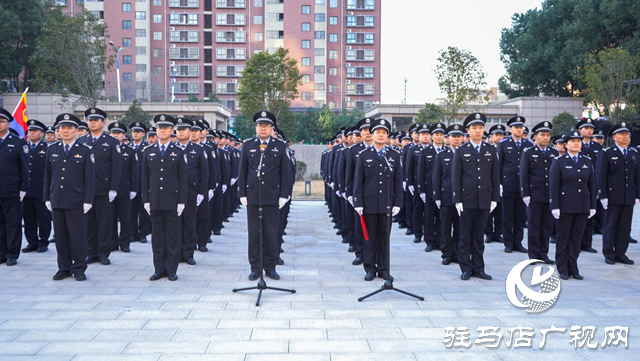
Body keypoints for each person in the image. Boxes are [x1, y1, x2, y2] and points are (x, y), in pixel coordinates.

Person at [238, 111, 292, 281]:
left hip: (272, 197)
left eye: (266, 125)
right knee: (254, 234)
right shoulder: (248, 146)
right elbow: (242, 171)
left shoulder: (280, 146)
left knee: (271, 233)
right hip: (253, 196)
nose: (263, 128)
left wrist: (284, 195)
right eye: (260, 125)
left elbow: (286, 173)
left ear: (271, 128)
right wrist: (242, 194)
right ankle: (255, 267)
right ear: (256, 128)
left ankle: (270, 267)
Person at [44, 113, 95, 281]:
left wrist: (88, 200)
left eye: (69, 128)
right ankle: (63, 267)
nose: (65, 131)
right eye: (62, 128)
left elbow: (90, 178)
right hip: (57, 199)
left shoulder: (85, 150)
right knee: (60, 236)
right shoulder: (52, 149)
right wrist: (47, 197)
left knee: (78, 236)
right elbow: (48, 176)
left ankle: (79, 268)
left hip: (76, 201)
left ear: (76, 130)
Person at [353, 118, 402, 281]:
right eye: (377, 132)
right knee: (369, 237)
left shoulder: (394, 155)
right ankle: (370, 268)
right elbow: (358, 182)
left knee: (384, 237)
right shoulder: (363, 155)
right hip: (369, 203)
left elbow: (397, 181)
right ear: (372, 135)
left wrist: (398, 203)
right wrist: (358, 203)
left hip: (387, 204)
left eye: (384, 133)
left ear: (388, 136)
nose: (381, 135)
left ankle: (384, 268)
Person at [452, 113, 499, 281]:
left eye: (480, 128)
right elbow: (456, 177)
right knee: (465, 235)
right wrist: (457, 199)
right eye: (474, 128)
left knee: (479, 236)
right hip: (466, 199)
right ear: (468, 131)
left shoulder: (491, 150)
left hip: (484, 199)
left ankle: (479, 268)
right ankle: (465, 268)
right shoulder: (461, 150)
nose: (478, 131)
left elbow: (495, 176)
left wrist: (494, 198)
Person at [142, 114, 187, 281]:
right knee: (157, 237)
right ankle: (159, 268)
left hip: (172, 201)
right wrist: (146, 199)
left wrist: (182, 201)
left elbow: (183, 179)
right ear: (156, 130)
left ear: (171, 131)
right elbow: (145, 179)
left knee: (172, 237)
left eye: (166, 128)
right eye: (160, 128)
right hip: (155, 200)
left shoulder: (179, 152)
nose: (162, 131)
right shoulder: (149, 151)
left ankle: (171, 269)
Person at [78, 108, 121, 266]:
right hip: (86, 190)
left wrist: (113, 188)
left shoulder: (111, 142)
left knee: (104, 222)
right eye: (90, 120)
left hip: (104, 189)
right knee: (88, 222)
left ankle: (103, 253)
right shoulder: (82, 141)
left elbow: (116, 168)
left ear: (103, 123)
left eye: (96, 120)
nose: (92, 122)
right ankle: (91, 251)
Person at [550, 131, 596, 280]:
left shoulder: (586, 161)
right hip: (565, 206)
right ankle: (562, 267)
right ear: (565, 144)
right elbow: (554, 186)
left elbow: (592, 185)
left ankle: (573, 267)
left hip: (582, 205)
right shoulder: (559, 161)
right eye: (573, 141)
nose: (576, 143)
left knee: (576, 238)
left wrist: (592, 205)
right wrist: (555, 206)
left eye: (578, 140)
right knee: (563, 238)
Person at [596, 122, 640, 265]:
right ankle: (609, 253)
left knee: (625, 226)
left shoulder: (633, 153)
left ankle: (621, 253)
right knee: (610, 225)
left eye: (627, 134)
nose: (626, 137)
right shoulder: (607, 153)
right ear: (614, 137)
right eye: (622, 134)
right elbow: (601, 176)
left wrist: (638, 194)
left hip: (628, 195)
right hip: (612, 195)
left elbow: (637, 176)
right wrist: (602, 195)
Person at [520, 121, 558, 264]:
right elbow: (524, 174)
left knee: (547, 226)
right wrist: (525, 194)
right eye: (542, 135)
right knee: (534, 226)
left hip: (549, 195)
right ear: (535, 137)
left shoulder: (553, 153)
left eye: (548, 135)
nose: (545, 138)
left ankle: (544, 253)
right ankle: (534, 254)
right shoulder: (529, 152)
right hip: (534, 194)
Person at [174, 117, 209, 265]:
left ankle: (188, 253)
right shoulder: (172, 149)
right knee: (175, 225)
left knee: (189, 224)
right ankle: (176, 253)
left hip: (191, 193)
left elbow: (204, 173)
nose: (181, 132)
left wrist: (201, 193)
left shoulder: (198, 150)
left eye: (184, 130)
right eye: (179, 130)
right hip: (173, 194)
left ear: (189, 132)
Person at [497, 116, 533, 254]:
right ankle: (508, 243)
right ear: (511, 129)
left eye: (521, 127)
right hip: (508, 184)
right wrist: (499, 183)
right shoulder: (504, 144)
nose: (519, 129)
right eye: (516, 127)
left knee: (520, 216)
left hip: (523, 186)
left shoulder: (528, 145)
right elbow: (499, 165)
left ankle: (518, 242)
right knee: (507, 215)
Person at [0, 108, 29, 266]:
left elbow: (24, 168)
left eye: (2, 121)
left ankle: (12, 253)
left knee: (13, 223)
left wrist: (24, 188)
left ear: (8, 124)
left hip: (12, 190)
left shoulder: (18, 142)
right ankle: (1, 252)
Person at [433, 124, 464, 265]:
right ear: (448, 139)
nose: (456, 139)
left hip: (462, 198)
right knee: (445, 226)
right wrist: (437, 196)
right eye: (453, 137)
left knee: (459, 227)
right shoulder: (442, 155)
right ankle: (446, 253)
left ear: (463, 138)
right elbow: (437, 177)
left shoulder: (466, 153)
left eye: (458, 137)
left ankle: (457, 252)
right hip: (446, 196)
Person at [22, 119, 52, 254]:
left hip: (41, 189)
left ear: (42, 133)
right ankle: (32, 242)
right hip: (26, 189)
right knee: (28, 217)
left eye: (34, 131)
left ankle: (43, 241)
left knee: (44, 217)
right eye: (29, 131)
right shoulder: (23, 147)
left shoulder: (47, 149)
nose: (31, 133)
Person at [108, 122, 138, 253]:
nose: (115, 135)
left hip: (124, 189)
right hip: (109, 190)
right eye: (113, 133)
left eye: (118, 133)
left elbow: (134, 171)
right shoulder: (106, 149)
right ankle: (113, 242)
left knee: (126, 218)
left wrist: (133, 189)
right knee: (111, 218)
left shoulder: (130, 151)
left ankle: (125, 242)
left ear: (123, 135)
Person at [418, 122, 446, 252]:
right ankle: (429, 241)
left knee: (442, 217)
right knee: (429, 216)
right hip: (429, 189)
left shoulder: (447, 151)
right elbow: (421, 172)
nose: (439, 137)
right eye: (436, 135)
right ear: (432, 137)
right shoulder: (425, 152)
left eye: (441, 135)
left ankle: (440, 241)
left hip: (444, 189)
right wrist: (421, 190)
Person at [577, 118, 601, 252]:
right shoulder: (574, 144)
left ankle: (587, 243)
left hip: (592, 184)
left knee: (590, 214)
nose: (589, 130)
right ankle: (577, 243)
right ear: (580, 130)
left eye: (591, 128)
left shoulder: (597, 146)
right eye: (586, 128)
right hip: (577, 183)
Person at [130, 122, 150, 243]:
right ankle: (133, 233)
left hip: (143, 185)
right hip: (131, 185)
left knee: (143, 212)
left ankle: (143, 233)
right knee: (131, 211)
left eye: (138, 132)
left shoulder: (147, 148)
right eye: (133, 131)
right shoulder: (128, 148)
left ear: (143, 134)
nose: (135, 134)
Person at [484, 124, 505, 244]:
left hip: (502, 183)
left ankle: (498, 233)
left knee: (500, 211)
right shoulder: (487, 148)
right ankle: (489, 233)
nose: (499, 137)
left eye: (501, 135)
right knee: (489, 211)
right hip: (489, 184)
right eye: (497, 135)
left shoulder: (506, 147)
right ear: (491, 137)